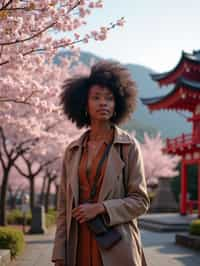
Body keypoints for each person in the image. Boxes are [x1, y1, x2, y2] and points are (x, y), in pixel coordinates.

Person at [52, 61, 150, 266]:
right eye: (96, 98)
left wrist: (101, 208)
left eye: (109, 98)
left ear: (117, 105)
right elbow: (63, 207)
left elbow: (140, 201)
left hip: (117, 243)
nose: (103, 103)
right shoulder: (72, 150)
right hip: (78, 244)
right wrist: (59, 252)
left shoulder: (128, 146)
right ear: (84, 104)